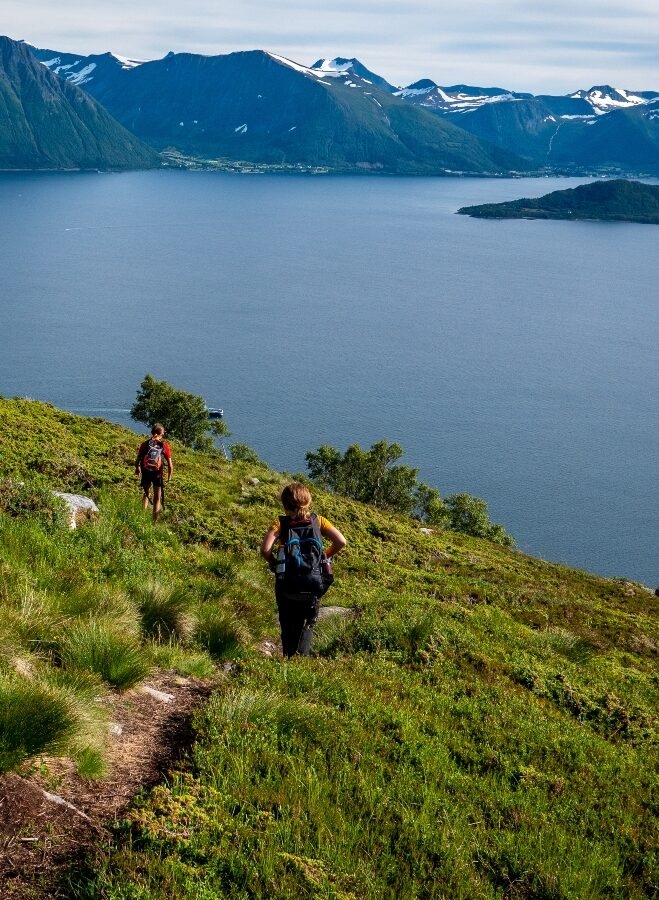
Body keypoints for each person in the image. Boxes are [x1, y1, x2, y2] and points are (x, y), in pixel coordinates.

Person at [261, 482, 346, 658]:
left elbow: (265, 550)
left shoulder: (280, 523)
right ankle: (302, 660)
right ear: (308, 501)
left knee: (287, 623)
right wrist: (325, 556)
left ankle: (288, 658)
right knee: (308, 623)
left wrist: (275, 563)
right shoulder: (318, 520)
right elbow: (341, 542)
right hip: (313, 583)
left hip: (287, 585)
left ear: (285, 504)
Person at [135, 423, 173, 522]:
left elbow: (138, 459)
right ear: (162, 434)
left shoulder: (145, 444)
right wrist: (169, 477)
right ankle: (154, 522)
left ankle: (142, 517)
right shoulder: (164, 446)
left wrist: (137, 469)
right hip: (158, 474)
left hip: (146, 471)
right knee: (157, 498)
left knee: (147, 493)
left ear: (152, 432)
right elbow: (170, 465)